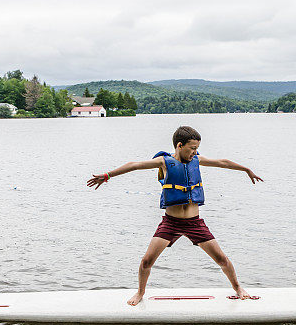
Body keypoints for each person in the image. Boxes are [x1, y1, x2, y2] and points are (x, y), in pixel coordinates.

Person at [87, 125, 263, 305]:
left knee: (221, 259)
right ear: (180, 145)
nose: (195, 152)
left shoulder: (197, 160)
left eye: (196, 148)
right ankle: (140, 293)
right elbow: (135, 165)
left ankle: (238, 288)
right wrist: (108, 175)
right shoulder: (164, 162)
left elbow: (223, 162)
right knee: (147, 261)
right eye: (192, 148)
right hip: (171, 223)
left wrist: (246, 169)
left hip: (195, 223)